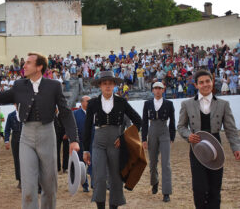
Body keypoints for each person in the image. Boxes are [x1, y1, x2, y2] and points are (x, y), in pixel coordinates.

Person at [0, 52, 80, 209]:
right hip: (26, 136)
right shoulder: (19, 86)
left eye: (28, 63)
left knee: (49, 184)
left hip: (47, 133)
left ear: (39, 66)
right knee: (28, 185)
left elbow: (66, 113)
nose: (24, 65)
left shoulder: (53, 86)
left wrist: (74, 140)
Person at [177, 69, 240, 209]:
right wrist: (189, 135)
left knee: (215, 187)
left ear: (212, 81)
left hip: (216, 146)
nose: (205, 85)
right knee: (199, 188)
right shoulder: (187, 104)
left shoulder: (223, 104)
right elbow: (181, 127)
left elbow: (231, 129)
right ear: (196, 85)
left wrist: (236, 147)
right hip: (196, 146)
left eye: (208, 81)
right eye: (201, 82)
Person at [83, 71, 142, 209]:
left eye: (110, 83)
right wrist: (86, 149)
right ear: (100, 86)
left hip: (116, 143)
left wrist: (125, 137)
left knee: (116, 178)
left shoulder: (121, 102)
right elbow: (87, 127)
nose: (107, 86)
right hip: (98, 143)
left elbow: (138, 121)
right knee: (99, 176)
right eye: (104, 83)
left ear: (114, 85)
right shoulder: (92, 103)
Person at [142, 82, 175, 202]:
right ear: (152, 90)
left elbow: (172, 121)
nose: (157, 90)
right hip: (152, 132)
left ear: (163, 90)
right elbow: (144, 121)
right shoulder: (147, 103)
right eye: (155, 88)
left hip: (164, 132)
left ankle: (166, 192)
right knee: (153, 161)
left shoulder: (169, 103)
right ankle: (154, 182)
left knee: (166, 163)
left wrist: (172, 137)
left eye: (159, 88)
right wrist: (144, 139)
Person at [73, 96, 91, 192]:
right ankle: (85, 185)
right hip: (80, 142)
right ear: (82, 103)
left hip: (92, 142)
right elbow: (73, 128)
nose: (89, 102)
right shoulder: (75, 114)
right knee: (82, 164)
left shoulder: (94, 113)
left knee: (94, 163)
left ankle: (94, 184)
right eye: (88, 101)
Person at [5, 105, 23, 189]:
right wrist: (6, 140)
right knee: (17, 160)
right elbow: (7, 129)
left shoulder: (27, 113)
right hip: (15, 138)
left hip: (26, 137)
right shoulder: (10, 115)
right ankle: (20, 180)